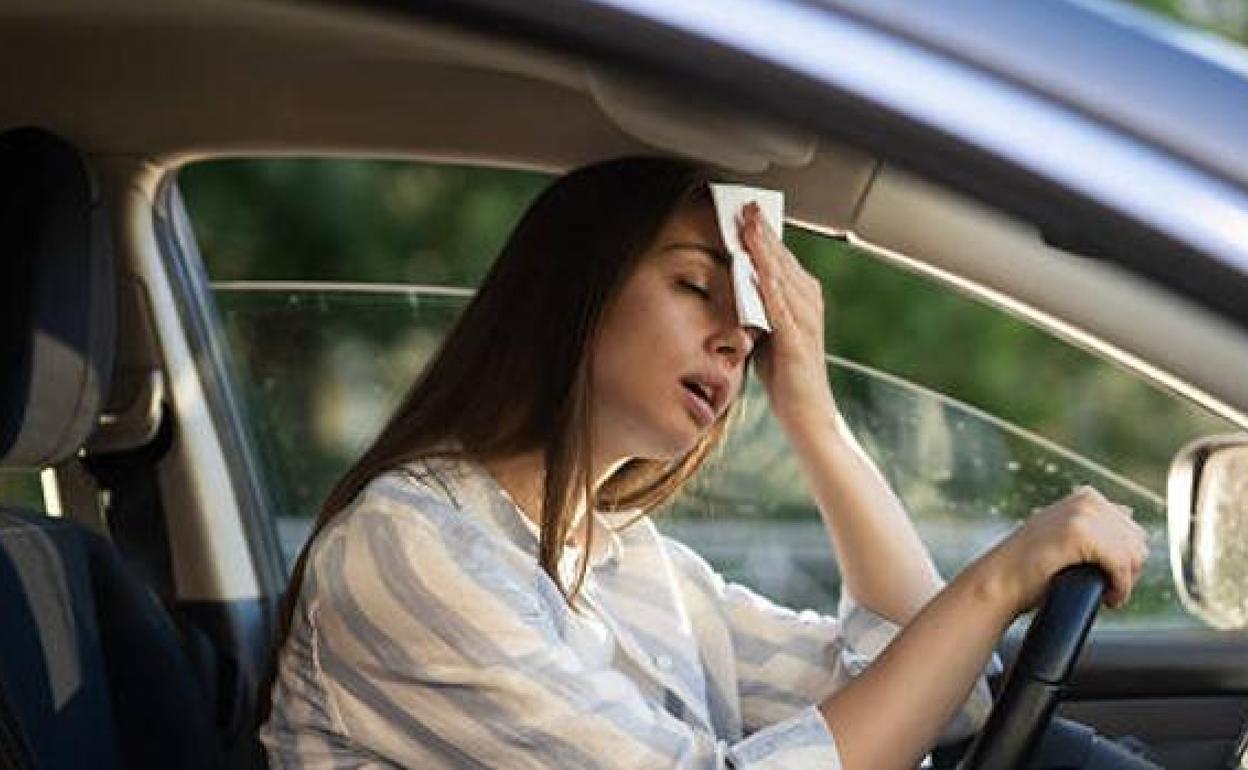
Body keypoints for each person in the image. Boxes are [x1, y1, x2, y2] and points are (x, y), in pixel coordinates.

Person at [259, 156, 1148, 769]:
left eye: (752, 323)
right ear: (576, 289)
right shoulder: (405, 548)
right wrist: (999, 580)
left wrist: (814, 415)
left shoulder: (628, 561)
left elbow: (939, 703)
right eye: (693, 285)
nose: (735, 339)